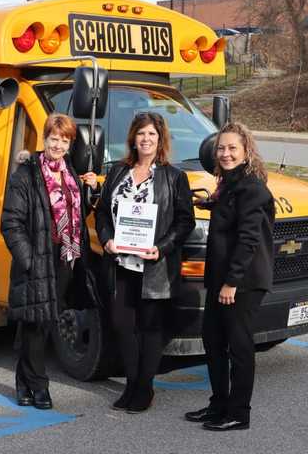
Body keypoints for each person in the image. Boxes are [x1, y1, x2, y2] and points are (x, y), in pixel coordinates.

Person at [96, 112, 195, 413]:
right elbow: (101, 212)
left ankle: (145, 388)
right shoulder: (117, 172)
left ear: (160, 139)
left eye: (152, 134)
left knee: (151, 329)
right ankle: (131, 383)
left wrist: (162, 248)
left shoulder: (174, 177)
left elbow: (184, 221)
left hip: (154, 266)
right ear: (133, 138)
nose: (146, 139)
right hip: (121, 264)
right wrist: (106, 239)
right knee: (122, 326)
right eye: (141, 133)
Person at [0, 113, 99, 410]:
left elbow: (76, 214)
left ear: (70, 144)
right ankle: (38, 386)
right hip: (37, 257)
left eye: (64, 139)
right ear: (44, 139)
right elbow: (10, 223)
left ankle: (22, 382)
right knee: (37, 323)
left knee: (41, 323)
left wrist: (91, 190)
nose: (58, 144)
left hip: (65, 258)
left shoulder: (70, 172)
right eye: (53, 138)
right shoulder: (26, 174)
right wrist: (29, 260)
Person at [185, 122, 275, 431]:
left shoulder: (253, 188)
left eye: (232, 148)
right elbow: (230, 213)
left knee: (238, 346)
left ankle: (238, 413)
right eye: (221, 148)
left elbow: (249, 239)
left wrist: (232, 282)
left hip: (243, 282)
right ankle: (218, 404)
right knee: (213, 340)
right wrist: (208, 203)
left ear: (246, 151)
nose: (225, 153)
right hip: (222, 278)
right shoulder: (229, 185)